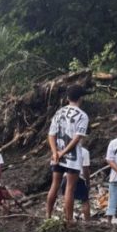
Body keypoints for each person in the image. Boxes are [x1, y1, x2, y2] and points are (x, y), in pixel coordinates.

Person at [45, 86, 89, 224]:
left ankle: (47, 215)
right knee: (70, 188)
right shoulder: (82, 115)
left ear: (68, 98)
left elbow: (51, 134)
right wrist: (64, 152)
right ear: (81, 98)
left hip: (57, 155)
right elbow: (76, 138)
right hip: (73, 158)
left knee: (55, 185)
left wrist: (55, 152)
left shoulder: (59, 112)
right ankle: (68, 220)